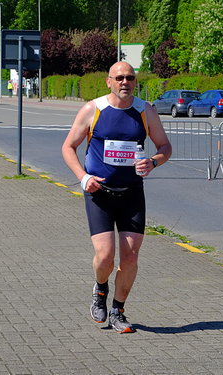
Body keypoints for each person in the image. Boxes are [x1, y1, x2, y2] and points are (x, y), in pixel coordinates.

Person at [61, 62, 172, 333]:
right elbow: (68, 147)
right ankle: (100, 290)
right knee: (105, 255)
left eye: (130, 78)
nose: (125, 82)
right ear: (108, 81)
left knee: (131, 258)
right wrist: (84, 177)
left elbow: (165, 147)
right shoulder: (93, 109)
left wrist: (154, 162)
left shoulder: (145, 111)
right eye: (119, 77)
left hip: (132, 193)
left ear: (135, 82)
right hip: (99, 193)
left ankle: (118, 310)